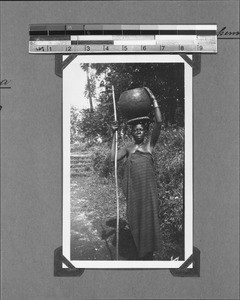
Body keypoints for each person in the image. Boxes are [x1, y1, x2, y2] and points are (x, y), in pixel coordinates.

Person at [111, 87, 162, 260]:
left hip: (148, 193)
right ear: (132, 132)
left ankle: (149, 250)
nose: (139, 131)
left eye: (141, 129)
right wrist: (113, 135)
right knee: (135, 219)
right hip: (135, 194)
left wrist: (153, 99)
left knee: (150, 219)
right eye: (136, 129)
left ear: (145, 131)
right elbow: (112, 158)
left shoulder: (149, 146)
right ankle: (140, 249)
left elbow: (159, 123)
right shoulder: (128, 148)